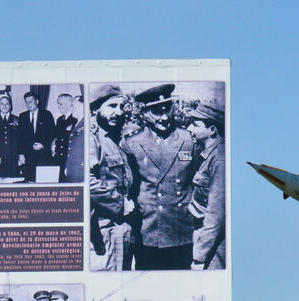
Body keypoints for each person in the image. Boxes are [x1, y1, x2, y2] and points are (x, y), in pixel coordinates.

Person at [122, 84, 197, 270]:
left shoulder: (188, 139)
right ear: (145, 114)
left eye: (167, 110)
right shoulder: (132, 143)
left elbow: (199, 181)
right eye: (157, 112)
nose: (164, 117)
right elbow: (129, 187)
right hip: (149, 230)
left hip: (181, 229)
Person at [88, 84, 136, 270]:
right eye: (112, 106)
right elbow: (87, 182)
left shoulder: (114, 136)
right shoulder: (91, 137)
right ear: (95, 109)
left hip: (120, 228)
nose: (118, 112)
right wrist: (121, 203)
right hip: (102, 231)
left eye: (121, 106)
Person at [185, 99, 226, 270]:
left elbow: (216, 214)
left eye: (195, 125)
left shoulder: (219, 160)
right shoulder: (208, 155)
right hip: (204, 237)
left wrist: (199, 257)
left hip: (213, 246)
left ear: (212, 130)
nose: (189, 129)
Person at [17, 91, 55, 181]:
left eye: (31, 101)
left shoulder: (47, 114)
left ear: (37, 101)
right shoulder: (22, 116)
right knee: (29, 181)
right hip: (28, 157)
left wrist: (43, 144)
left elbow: (52, 133)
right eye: (26, 102)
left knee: (43, 181)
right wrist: (20, 153)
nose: (28, 104)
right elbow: (19, 137)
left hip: (43, 156)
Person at [0, 95, 19, 179]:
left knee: (14, 181)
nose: (4, 106)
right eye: (2, 104)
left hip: (13, 158)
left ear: (10, 105)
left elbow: (21, 140)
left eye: (7, 104)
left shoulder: (17, 119)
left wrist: (20, 155)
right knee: (0, 180)